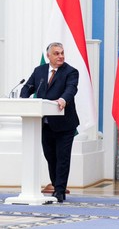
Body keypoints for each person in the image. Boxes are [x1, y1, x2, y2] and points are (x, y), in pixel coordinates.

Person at [20, 42, 79, 203]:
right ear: (49, 56)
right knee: (50, 157)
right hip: (44, 124)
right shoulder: (39, 71)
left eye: (62, 53)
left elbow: (71, 89)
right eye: (57, 53)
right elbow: (27, 87)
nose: (61, 56)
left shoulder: (71, 71)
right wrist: (23, 99)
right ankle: (55, 185)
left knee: (62, 157)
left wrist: (63, 99)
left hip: (65, 124)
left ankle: (59, 191)